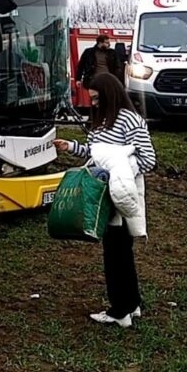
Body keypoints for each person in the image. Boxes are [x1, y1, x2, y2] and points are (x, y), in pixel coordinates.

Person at [54, 72, 157, 328]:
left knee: (116, 254)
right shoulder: (99, 120)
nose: (94, 103)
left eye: (97, 99)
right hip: (103, 194)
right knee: (120, 252)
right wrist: (70, 147)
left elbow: (148, 159)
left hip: (119, 195)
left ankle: (119, 310)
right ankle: (132, 304)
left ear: (109, 94)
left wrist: (117, 171)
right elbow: (93, 152)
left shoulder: (130, 120)